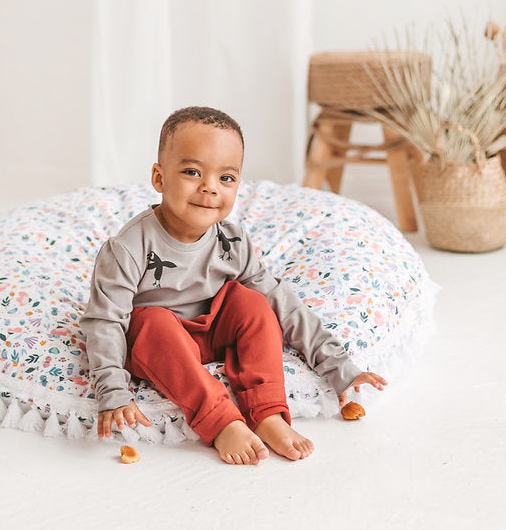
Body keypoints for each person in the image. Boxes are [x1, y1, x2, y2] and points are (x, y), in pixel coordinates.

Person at [81, 106, 387, 465]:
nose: (209, 187)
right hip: (161, 345)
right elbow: (105, 321)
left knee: (253, 302)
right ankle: (221, 421)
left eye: (226, 178)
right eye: (192, 172)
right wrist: (113, 392)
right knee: (152, 322)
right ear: (159, 178)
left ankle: (268, 413)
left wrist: (338, 366)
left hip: (213, 332)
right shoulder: (128, 248)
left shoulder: (233, 241)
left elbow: (281, 301)